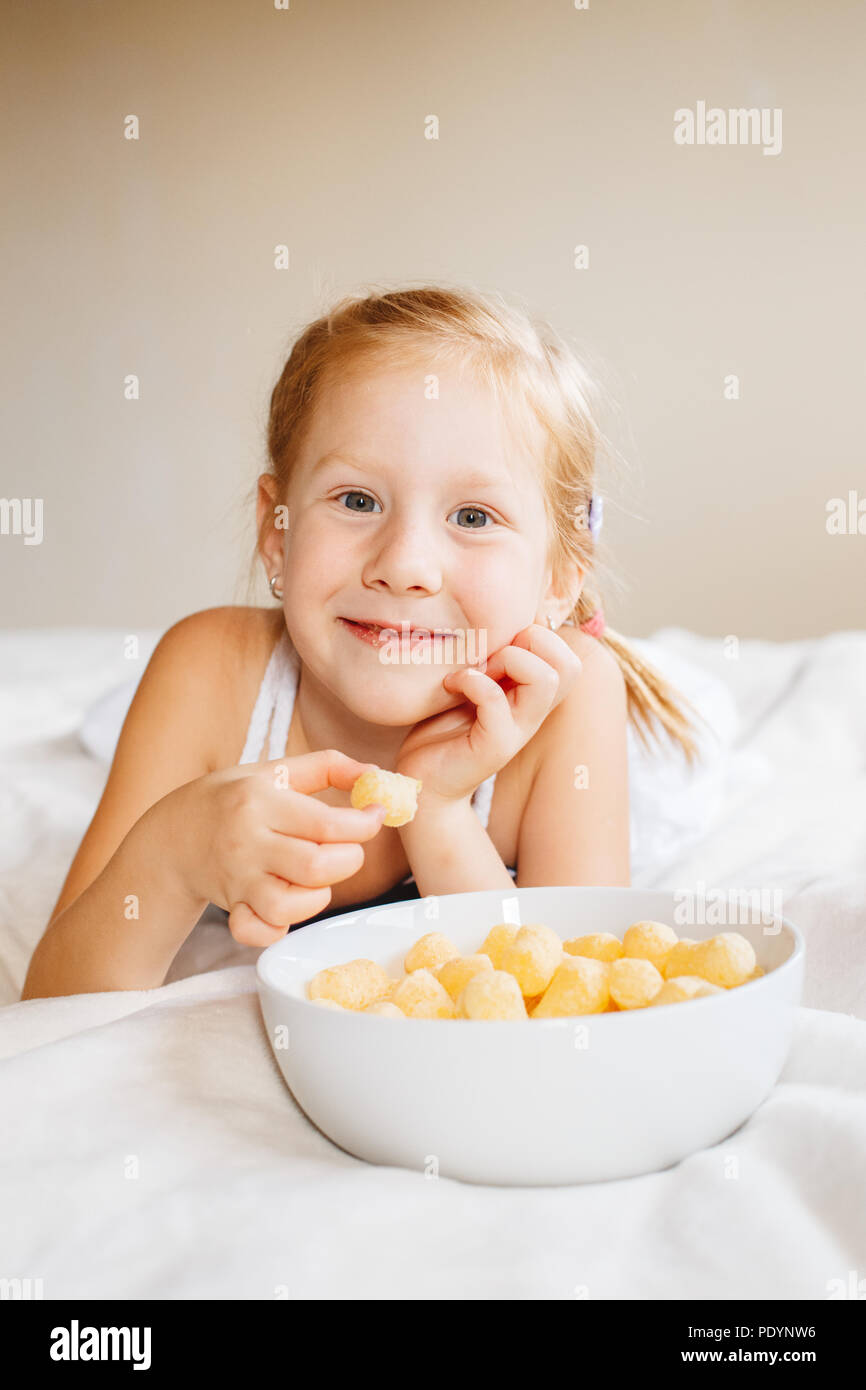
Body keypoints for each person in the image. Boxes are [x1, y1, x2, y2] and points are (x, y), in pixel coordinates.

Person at [22, 286, 704, 999]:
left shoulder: (572, 697)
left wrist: (436, 809)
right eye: (357, 501)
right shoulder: (207, 672)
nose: (405, 564)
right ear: (277, 531)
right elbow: (54, 1005)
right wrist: (169, 855)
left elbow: (557, 1004)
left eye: (473, 515)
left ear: (560, 576)